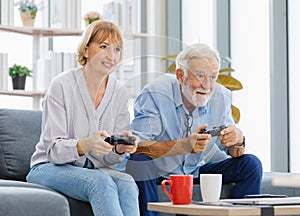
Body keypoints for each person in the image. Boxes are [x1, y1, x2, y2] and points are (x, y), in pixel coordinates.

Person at [126, 43, 263, 216]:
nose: (207, 85)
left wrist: (238, 139)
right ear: (180, 75)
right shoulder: (155, 93)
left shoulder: (221, 96)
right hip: (160, 172)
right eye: (200, 76)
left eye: (213, 77)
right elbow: (136, 147)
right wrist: (182, 146)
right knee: (139, 162)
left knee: (250, 164)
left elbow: (234, 152)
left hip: (194, 171)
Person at [26, 20, 140, 216]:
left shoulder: (120, 91)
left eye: (117, 49)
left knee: (128, 183)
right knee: (100, 182)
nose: (111, 56)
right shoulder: (62, 85)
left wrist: (120, 149)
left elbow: (110, 160)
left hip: (94, 169)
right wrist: (85, 145)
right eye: (104, 47)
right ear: (86, 50)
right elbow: (53, 150)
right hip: (48, 166)